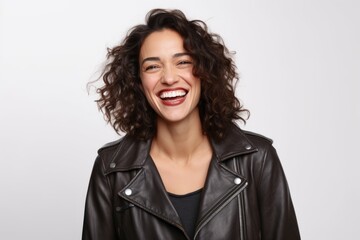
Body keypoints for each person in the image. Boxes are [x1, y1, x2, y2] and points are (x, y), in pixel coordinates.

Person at [82, 8, 301, 240]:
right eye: (152, 66)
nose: (168, 78)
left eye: (183, 62)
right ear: (137, 81)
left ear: (204, 71)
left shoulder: (257, 159)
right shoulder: (112, 170)